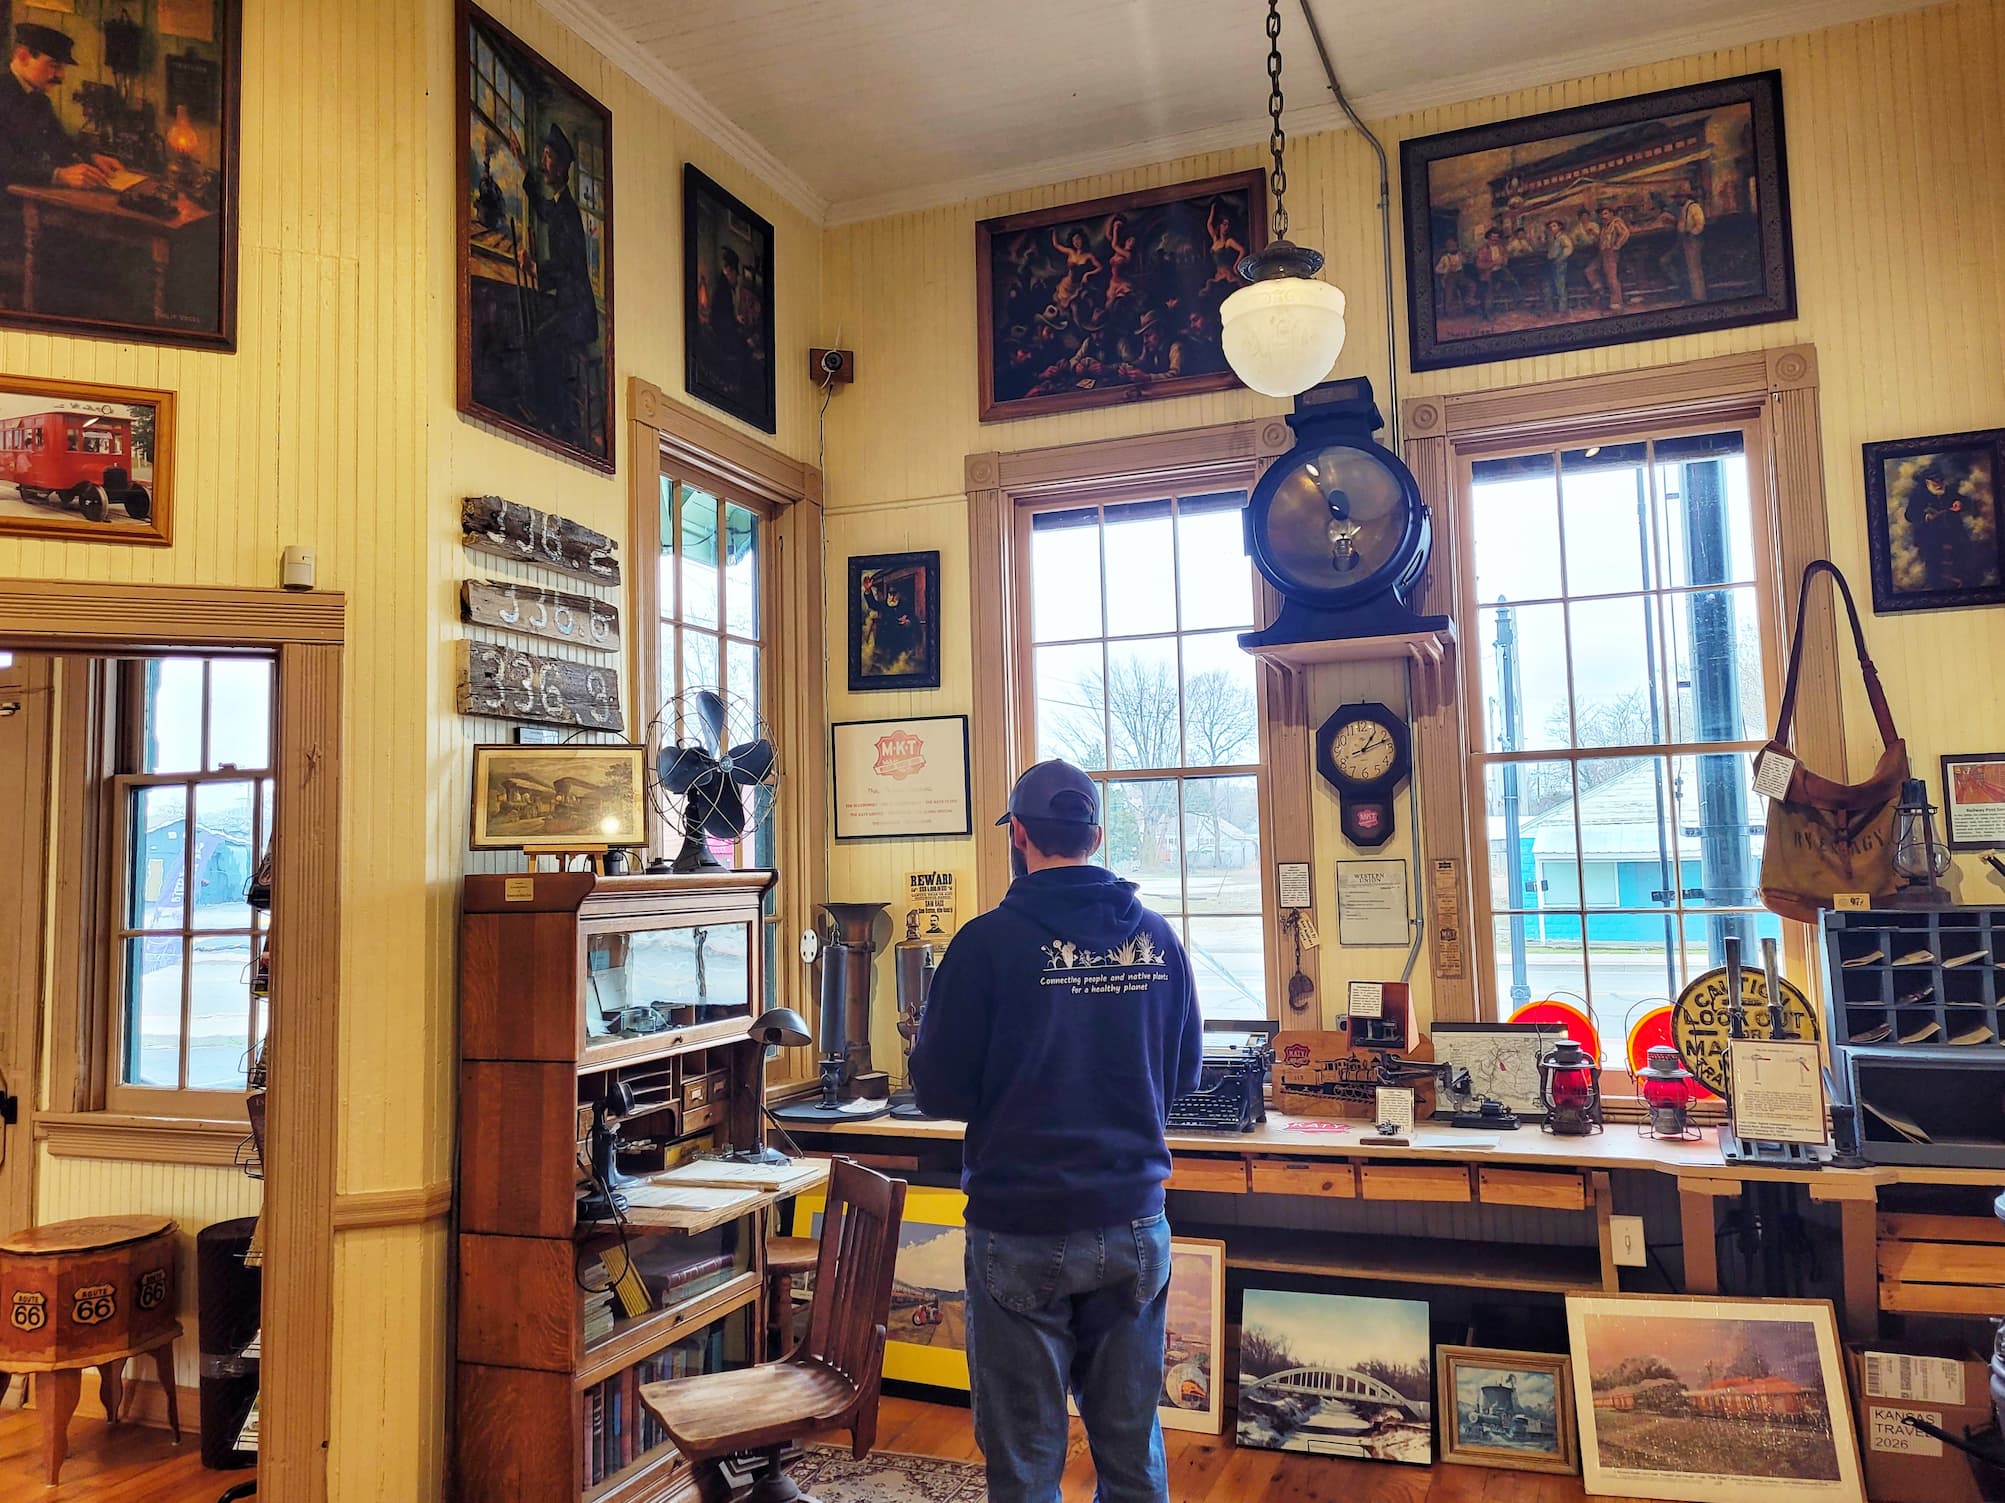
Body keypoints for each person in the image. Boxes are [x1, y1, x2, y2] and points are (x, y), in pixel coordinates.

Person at [911, 760, 1202, 1503]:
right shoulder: (1160, 940)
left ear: (1019, 835)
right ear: (1097, 835)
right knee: (1132, 1445)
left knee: (1025, 1457)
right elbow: (1182, 1076)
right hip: (1136, 1222)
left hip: (1022, 1226)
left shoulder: (983, 944)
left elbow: (938, 1092)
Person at [530, 122, 600, 447]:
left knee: (542, 342)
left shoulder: (569, 212)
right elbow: (545, 213)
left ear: (561, 166)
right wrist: (524, 170)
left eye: (548, 158)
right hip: (570, 306)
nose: (544, 164)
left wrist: (535, 268)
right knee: (543, 335)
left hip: (578, 313)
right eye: (543, 157)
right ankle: (555, 412)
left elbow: (565, 266)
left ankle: (556, 419)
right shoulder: (560, 205)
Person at [0, 24, 125, 196]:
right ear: (23, 56)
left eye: (63, 68)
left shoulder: (39, 98)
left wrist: (91, 158)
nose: (61, 76)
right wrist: (59, 176)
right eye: (54, 65)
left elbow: (58, 141)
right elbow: (5, 165)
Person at [1596, 204, 1631, 309]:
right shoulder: (1605, 225)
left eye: (1606, 213)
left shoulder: (1616, 222)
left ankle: (1617, 301)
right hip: (1604, 252)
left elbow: (1625, 233)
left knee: (1612, 277)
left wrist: (1617, 245)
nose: (1603, 216)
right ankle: (1608, 296)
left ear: (1611, 213)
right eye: (1602, 214)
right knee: (1600, 273)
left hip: (1611, 252)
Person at [1542, 219, 1574, 314]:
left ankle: (1562, 309)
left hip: (1560, 263)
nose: (1552, 228)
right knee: (1550, 285)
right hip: (1551, 263)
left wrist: (1561, 259)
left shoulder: (1563, 237)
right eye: (1551, 227)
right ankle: (1550, 309)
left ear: (1560, 227)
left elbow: (1569, 248)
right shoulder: (1552, 238)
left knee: (1560, 285)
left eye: (1554, 226)